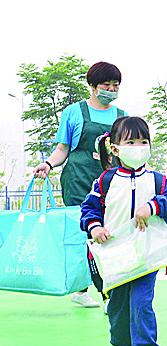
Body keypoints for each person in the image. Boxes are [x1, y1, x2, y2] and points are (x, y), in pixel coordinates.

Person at [81, 116, 167, 346]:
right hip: (115, 255)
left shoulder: (158, 180)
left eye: (143, 141)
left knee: (141, 303)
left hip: (147, 256)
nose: (138, 147)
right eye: (130, 142)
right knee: (117, 305)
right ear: (115, 148)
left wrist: (153, 206)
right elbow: (89, 208)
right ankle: (120, 344)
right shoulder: (105, 181)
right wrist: (94, 227)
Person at [32, 61, 125, 308]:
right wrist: (48, 164)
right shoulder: (73, 112)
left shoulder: (121, 117)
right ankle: (97, 293)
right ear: (92, 86)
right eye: (106, 84)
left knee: (110, 234)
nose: (111, 89)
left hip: (110, 183)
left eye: (116, 85)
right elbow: (63, 148)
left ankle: (102, 289)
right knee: (85, 235)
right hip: (77, 180)